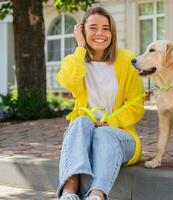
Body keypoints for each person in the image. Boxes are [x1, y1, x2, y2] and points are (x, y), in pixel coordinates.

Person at [56, 6, 145, 200]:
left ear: (112, 32)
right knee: (79, 122)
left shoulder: (126, 60)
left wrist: (110, 122)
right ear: (82, 31)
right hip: (85, 136)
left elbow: (136, 105)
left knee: (103, 133)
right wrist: (80, 48)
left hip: (121, 137)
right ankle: (69, 191)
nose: (100, 33)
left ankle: (98, 195)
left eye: (106, 28)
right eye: (93, 28)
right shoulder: (74, 61)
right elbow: (69, 80)